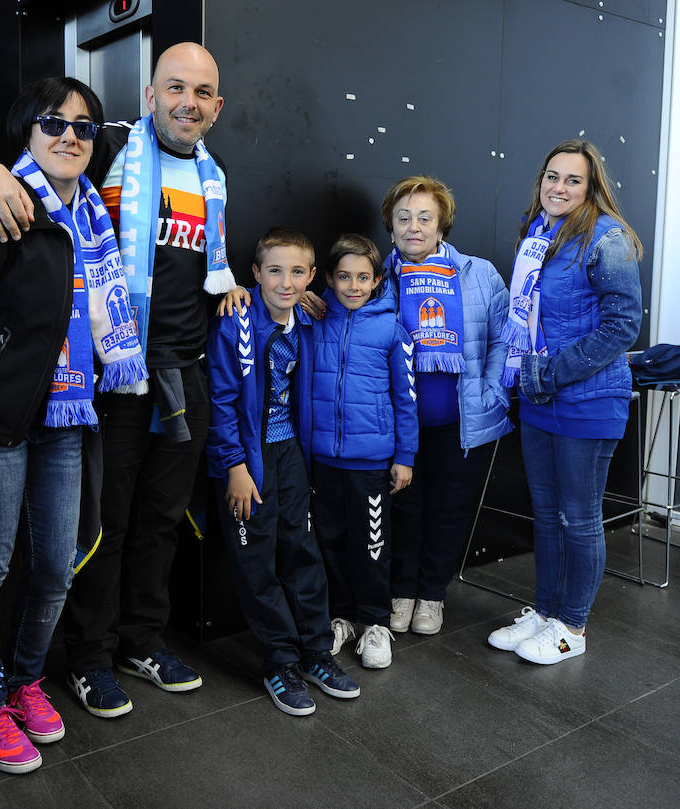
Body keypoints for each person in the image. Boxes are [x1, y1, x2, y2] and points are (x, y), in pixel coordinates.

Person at [0, 43, 238, 717]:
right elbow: (34, 148)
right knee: (104, 525)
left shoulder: (215, 177)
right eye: (175, 87)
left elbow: (213, 268)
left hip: (185, 375)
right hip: (113, 377)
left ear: (217, 106)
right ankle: (88, 657)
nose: (189, 101)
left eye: (202, 92)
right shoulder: (109, 143)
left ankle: (140, 641)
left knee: (160, 522)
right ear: (150, 95)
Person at [0, 77, 147, 773]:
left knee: (52, 568)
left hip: (66, 418)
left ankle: (23, 681)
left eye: (83, 125)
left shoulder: (91, 220)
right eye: (52, 123)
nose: (69, 135)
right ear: (26, 133)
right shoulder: (1, 206)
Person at [487, 139, 642, 664]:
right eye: (553, 176)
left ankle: (571, 627)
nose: (560, 187)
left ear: (591, 186)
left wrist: (551, 372)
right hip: (539, 396)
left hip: (587, 399)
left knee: (579, 517)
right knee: (547, 514)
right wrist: (531, 377)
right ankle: (546, 612)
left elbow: (623, 325)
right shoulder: (540, 233)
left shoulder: (608, 237)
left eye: (573, 180)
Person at [206, 227, 360, 716]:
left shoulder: (309, 319)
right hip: (246, 462)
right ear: (255, 273)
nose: (286, 282)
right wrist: (234, 466)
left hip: (290, 453)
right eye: (274, 271)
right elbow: (221, 402)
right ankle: (280, 660)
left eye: (297, 272)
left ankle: (316, 651)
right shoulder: (235, 319)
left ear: (312, 277)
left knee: (302, 551)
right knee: (258, 562)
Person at [376, 176, 511, 636]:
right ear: (391, 227)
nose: (414, 227)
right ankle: (402, 592)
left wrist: (492, 391)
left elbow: (504, 339)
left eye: (424, 217)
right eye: (403, 217)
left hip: (462, 420)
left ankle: (432, 595)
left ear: (441, 225)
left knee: (450, 509)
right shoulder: (378, 278)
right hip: (402, 423)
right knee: (404, 510)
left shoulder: (479, 273)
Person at [309, 234, 419, 669]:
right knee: (329, 542)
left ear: (376, 280)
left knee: (372, 545)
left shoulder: (391, 328)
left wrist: (404, 456)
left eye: (363, 278)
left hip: (371, 462)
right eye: (343, 277)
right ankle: (341, 617)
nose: (353, 287)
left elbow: (405, 397)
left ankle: (376, 622)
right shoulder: (314, 317)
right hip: (322, 459)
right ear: (330, 279)